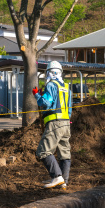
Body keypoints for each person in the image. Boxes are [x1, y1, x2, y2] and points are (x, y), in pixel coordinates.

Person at [33, 61, 72, 189]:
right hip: (66, 124)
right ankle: (63, 181)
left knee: (43, 151)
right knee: (64, 153)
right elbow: (70, 109)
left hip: (55, 123)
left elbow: (46, 102)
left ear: (49, 73)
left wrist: (37, 95)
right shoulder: (66, 87)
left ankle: (57, 177)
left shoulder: (51, 85)